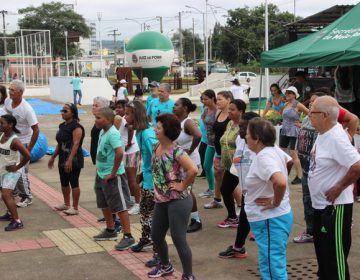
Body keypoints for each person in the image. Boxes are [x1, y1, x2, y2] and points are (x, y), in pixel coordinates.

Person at [308, 96, 360, 280]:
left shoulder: (336, 138)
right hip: (321, 206)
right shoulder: (324, 134)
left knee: (335, 261)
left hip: (335, 209)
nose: (308, 114)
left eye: (311, 111)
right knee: (324, 259)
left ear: (323, 115)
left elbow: (357, 165)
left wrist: (339, 186)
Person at [147, 113, 198, 280]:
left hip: (178, 200)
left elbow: (193, 170)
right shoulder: (156, 147)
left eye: (159, 127)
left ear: (167, 131)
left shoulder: (177, 152)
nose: (155, 129)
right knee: (156, 234)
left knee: (178, 238)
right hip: (161, 199)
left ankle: (188, 276)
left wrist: (183, 185)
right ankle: (165, 266)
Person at [245, 117, 293, 280]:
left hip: (271, 219)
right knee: (268, 262)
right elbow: (289, 161)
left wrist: (275, 201)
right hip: (272, 219)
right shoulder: (273, 150)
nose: (245, 137)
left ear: (257, 138)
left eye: (247, 134)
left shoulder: (264, 157)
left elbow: (280, 182)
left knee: (273, 266)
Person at [92, 107, 135, 251]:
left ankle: (128, 236)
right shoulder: (102, 132)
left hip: (113, 176)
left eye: (98, 118)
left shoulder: (113, 134)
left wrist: (113, 172)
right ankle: (110, 230)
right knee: (104, 202)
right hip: (101, 174)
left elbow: (119, 153)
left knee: (120, 205)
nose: (95, 120)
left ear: (108, 119)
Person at [218, 112, 259, 258]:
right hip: (244, 182)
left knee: (249, 215)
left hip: (257, 190)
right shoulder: (241, 139)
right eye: (240, 127)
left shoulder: (261, 145)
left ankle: (240, 246)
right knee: (244, 213)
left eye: (243, 128)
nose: (240, 130)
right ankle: (238, 247)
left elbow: (287, 162)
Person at [124, 101, 158, 257]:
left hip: (154, 182)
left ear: (136, 115)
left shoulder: (146, 133)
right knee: (145, 212)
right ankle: (146, 238)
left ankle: (154, 244)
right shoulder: (139, 132)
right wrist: (142, 173)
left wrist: (151, 178)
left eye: (128, 113)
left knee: (149, 213)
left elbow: (157, 156)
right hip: (147, 178)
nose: (125, 116)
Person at [5, 80, 39, 208]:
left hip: (23, 142)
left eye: (13, 90)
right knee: (9, 167)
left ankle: (27, 197)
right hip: (11, 140)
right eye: (9, 89)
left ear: (20, 92)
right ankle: (13, 190)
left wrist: (28, 149)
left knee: (21, 171)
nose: (10, 92)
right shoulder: (8, 102)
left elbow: (36, 129)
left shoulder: (27, 109)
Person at [48, 103, 85, 215]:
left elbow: (76, 144)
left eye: (65, 111)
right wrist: (53, 157)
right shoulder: (62, 126)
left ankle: (75, 207)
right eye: (62, 111)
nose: (62, 113)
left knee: (74, 182)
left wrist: (69, 160)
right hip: (62, 158)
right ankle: (66, 204)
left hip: (74, 159)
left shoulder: (76, 127)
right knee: (64, 182)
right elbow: (60, 143)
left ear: (73, 113)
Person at [173, 98, 202, 233]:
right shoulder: (176, 121)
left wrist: (189, 150)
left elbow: (198, 135)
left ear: (185, 108)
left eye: (177, 105)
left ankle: (196, 220)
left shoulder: (187, 122)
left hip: (190, 161)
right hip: (180, 161)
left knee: (187, 190)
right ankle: (183, 217)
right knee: (180, 190)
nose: (174, 107)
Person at [217, 99, 246, 228]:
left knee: (244, 193)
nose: (229, 112)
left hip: (240, 165)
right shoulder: (230, 124)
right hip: (229, 165)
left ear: (241, 111)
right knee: (225, 189)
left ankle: (241, 219)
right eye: (229, 109)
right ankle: (233, 217)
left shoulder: (243, 127)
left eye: (232, 109)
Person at [0, 115, 31, 231]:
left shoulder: (15, 140)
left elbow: (28, 156)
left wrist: (17, 166)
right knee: (6, 194)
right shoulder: (2, 135)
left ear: (10, 125)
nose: (0, 125)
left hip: (12, 172)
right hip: (2, 169)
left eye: (2, 123)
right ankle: (9, 214)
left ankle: (17, 221)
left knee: (6, 194)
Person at [204, 91, 233, 209]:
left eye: (220, 99)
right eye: (217, 99)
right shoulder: (218, 113)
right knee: (217, 174)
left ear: (228, 100)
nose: (217, 101)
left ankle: (240, 204)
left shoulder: (231, 115)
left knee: (231, 180)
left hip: (229, 152)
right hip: (218, 150)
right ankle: (217, 199)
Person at [114, 100, 141, 216]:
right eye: (117, 107)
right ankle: (131, 200)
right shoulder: (123, 117)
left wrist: (129, 142)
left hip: (131, 151)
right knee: (127, 179)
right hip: (126, 151)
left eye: (121, 107)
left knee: (131, 179)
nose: (118, 110)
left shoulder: (125, 118)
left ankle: (138, 204)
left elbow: (130, 128)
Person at [280, 86, 308, 185]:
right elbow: (283, 116)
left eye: (290, 93)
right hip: (284, 130)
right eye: (286, 92)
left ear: (294, 95)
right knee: (281, 152)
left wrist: (301, 124)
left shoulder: (298, 105)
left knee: (294, 154)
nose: (287, 94)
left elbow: (309, 114)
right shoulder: (286, 104)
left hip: (294, 131)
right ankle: (283, 173)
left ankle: (300, 176)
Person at [198, 90, 216, 199]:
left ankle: (220, 190)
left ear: (213, 98)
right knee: (206, 165)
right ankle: (211, 189)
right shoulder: (205, 110)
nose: (204, 101)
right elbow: (204, 123)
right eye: (203, 99)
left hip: (218, 143)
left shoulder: (218, 110)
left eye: (206, 99)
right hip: (209, 142)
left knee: (222, 169)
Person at [198, 96, 208, 178]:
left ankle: (207, 171)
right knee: (201, 152)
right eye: (201, 99)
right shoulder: (202, 107)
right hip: (203, 137)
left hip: (209, 137)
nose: (202, 101)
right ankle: (204, 171)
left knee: (206, 154)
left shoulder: (211, 108)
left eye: (205, 99)